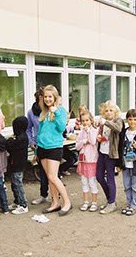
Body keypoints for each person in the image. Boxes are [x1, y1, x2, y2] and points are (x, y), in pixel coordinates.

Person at [36, 85, 72, 216]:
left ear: (55, 97)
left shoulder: (61, 111)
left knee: (53, 176)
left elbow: (62, 128)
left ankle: (67, 202)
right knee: (49, 178)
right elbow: (40, 132)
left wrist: (55, 111)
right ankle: (55, 203)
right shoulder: (43, 112)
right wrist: (36, 152)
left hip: (54, 148)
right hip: (42, 148)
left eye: (50, 96)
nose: (47, 99)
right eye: (45, 96)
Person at [97, 102, 123, 214]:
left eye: (111, 110)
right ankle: (110, 200)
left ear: (115, 112)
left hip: (111, 154)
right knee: (99, 176)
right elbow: (106, 137)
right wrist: (100, 138)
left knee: (110, 178)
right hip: (102, 152)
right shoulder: (103, 123)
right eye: (106, 110)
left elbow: (118, 129)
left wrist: (106, 122)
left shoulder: (118, 120)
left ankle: (111, 203)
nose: (108, 112)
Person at [27, 89, 49, 206]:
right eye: (43, 98)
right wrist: (31, 141)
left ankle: (58, 196)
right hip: (39, 144)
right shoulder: (31, 112)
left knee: (52, 172)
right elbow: (28, 128)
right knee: (43, 171)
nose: (45, 100)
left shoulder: (52, 110)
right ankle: (43, 195)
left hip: (51, 145)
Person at [75, 110, 99, 212]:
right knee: (84, 182)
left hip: (92, 160)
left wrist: (89, 131)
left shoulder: (94, 130)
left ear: (91, 120)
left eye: (87, 120)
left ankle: (94, 202)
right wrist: (84, 141)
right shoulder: (81, 133)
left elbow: (93, 141)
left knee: (92, 182)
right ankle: (86, 201)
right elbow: (77, 146)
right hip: (83, 160)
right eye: (83, 121)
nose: (85, 123)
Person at [6, 116, 30, 214]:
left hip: (18, 165)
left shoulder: (21, 138)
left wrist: (10, 139)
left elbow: (9, 146)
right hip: (14, 164)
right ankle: (17, 201)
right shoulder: (20, 136)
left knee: (18, 184)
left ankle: (23, 205)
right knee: (14, 184)